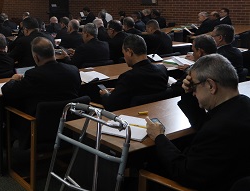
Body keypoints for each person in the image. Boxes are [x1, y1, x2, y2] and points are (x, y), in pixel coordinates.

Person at [146, 54, 250, 190]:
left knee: (150, 164)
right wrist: (189, 93)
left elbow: (183, 173)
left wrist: (159, 137)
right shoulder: (243, 105)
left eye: (194, 87)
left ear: (211, 86)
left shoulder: (217, 130)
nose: (194, 93)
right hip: (233, 176)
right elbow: (203, 124)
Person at [2, 37, 81, 116]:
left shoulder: (33, 75)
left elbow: (8, 92)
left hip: (39, 122)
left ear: (36, 57)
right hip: (70, 120)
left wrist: (13, 80)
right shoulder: (73, 70)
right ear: (54, 53)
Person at [99, 34, 168, 111]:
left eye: (124, 53)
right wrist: (118, 90)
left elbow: (110, 105)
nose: (124, 57)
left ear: (129, 52)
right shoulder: (162, 69)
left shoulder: (128, 77)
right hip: (158, 111)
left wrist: (105, 94)